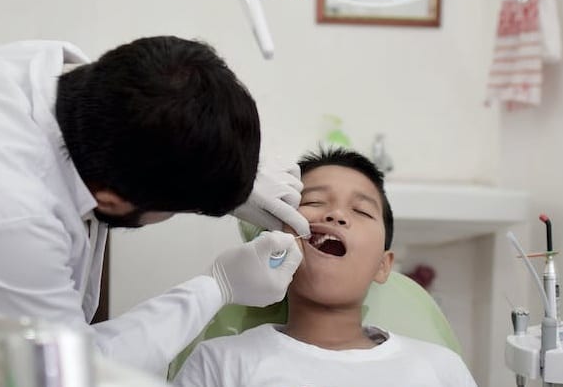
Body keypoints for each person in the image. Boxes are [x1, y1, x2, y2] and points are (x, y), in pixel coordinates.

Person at [0, 37, 309, 375]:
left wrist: (223, 160)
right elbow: (78, 373)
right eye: (181, 210)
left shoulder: (52, 73)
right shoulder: (13, 225)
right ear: (110, 200)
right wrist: (217, 285)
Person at [173, 147, 478, 387]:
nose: (336, 215)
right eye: (314, 201)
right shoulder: (221, 363)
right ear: (276, 239)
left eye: (360, 210)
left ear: (382, 266)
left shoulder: (441, 369)